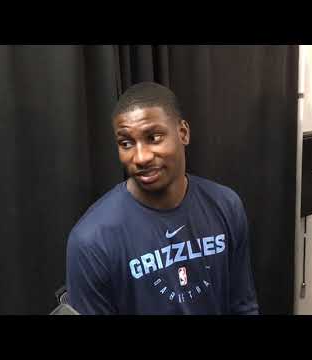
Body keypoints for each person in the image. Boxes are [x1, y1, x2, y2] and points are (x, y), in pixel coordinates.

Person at [66, 82, 259, 315]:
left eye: (153, 137)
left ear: (183, 133)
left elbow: (243, 306)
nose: (141, 157)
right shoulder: (91, 240)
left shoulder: (226, 205)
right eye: (126, 143)